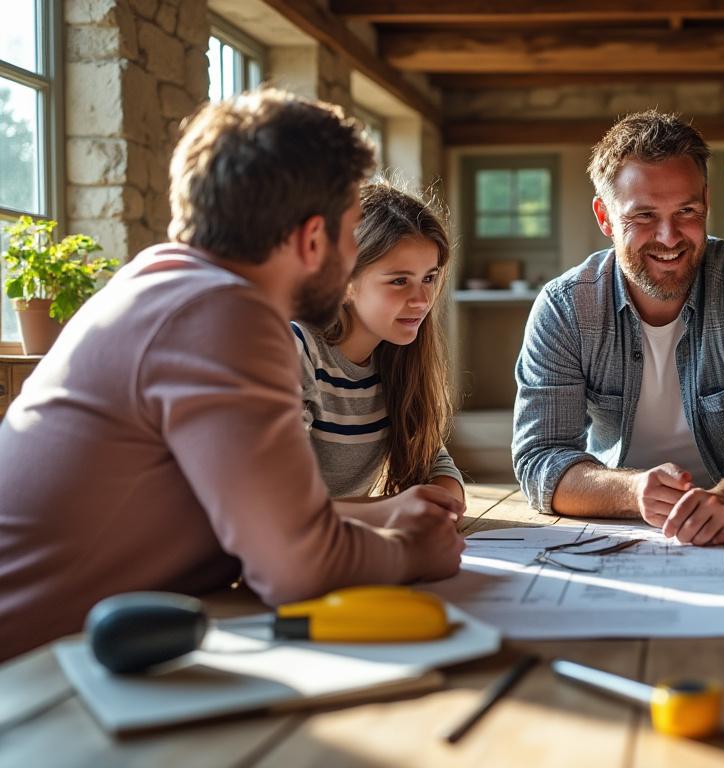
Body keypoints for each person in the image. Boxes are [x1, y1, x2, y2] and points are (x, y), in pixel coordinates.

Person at [0, 90, 464, 662]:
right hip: (29, 683)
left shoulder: (164, 283)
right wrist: (411, 551)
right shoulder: (222, 314)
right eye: (350, 233)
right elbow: (299, 567)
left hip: (96, 649)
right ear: (311, 238)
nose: (350, 256)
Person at [512, 110, 724, 546]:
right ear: (605, 217)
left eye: (687, 211)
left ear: (706, 202)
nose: (670, 237)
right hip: (612, 522)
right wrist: (633, 492)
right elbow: (540, 459)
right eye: (644, 216)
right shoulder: (564, 308)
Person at [292, 182, 465, 507]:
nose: (422, 300)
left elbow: (434, 462)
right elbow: (280, 507)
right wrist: (396, 509)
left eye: (428, 278)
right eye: (399, 281)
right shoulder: (297, 349)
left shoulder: (396, 355)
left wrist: (440, 498)